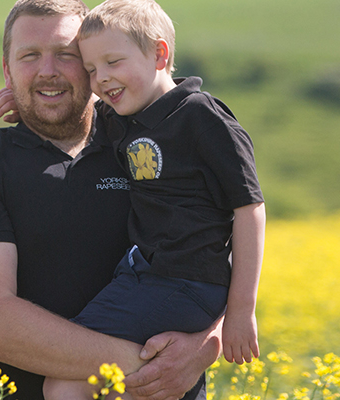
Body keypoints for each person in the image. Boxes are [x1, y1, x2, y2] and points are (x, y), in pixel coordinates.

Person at [0, 1, 226, 399]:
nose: (48, 70)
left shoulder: (145, 142)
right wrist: (145, 367)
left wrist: (207, 344)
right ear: (7, 70)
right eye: (30, 56)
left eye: (66, 55)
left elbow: (214, 253)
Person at [44, 0, 266, 397]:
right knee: (128, 386)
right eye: (92, 69)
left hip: (184, 282)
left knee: (65, 379)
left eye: (113, 62)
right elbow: (82, 108)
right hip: (146, 278)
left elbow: (249, 208)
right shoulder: (123, 117)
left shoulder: (201, 117)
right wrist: (25, 101)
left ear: (160, 54)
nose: (101, 79)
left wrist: (241, 311)